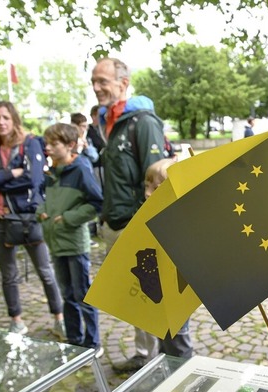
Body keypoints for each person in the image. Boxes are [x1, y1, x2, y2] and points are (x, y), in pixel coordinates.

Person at [91, 57, 167, 373]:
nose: (96, 88)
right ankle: (142, 354)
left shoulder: (142, 122)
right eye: (93, 82)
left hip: (137, 226)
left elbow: (157, 177)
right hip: (115, 224)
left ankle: (160, 360)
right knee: (132, 296)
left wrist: (146, 226)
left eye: (103, 81)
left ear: (123, 83)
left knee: (150, 296)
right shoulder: (106, 121)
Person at [0, 101, 65, 337]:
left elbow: (33, 179)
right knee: (8, 274)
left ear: (14, 119)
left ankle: (59, 317)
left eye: (5, 117)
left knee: (45, 270)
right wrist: (9, 173)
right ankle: (16, 320)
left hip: (28, 216)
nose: (1, 122)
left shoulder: (30, 143)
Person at [38, 123, 104, 356]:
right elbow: (42, 197)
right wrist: (41, 211)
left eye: (54, 144)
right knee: (67, 295)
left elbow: (96, 202)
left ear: (70, 145)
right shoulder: (51, 171)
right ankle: (75, 341)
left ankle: (93, 343)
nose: (48, 148)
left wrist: (67, 219)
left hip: (74, 242)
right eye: (47, 143)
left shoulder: (80, 169)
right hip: (56, 242)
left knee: (83, 294)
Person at [144, 158, 193, 359]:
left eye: (155, 188)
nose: (147, 193)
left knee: (178, 342)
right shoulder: (153, 215)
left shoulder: (182, 222)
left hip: (176, 296)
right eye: (146, 186)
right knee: (165, 340)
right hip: (159, 292)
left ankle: (185, 380)